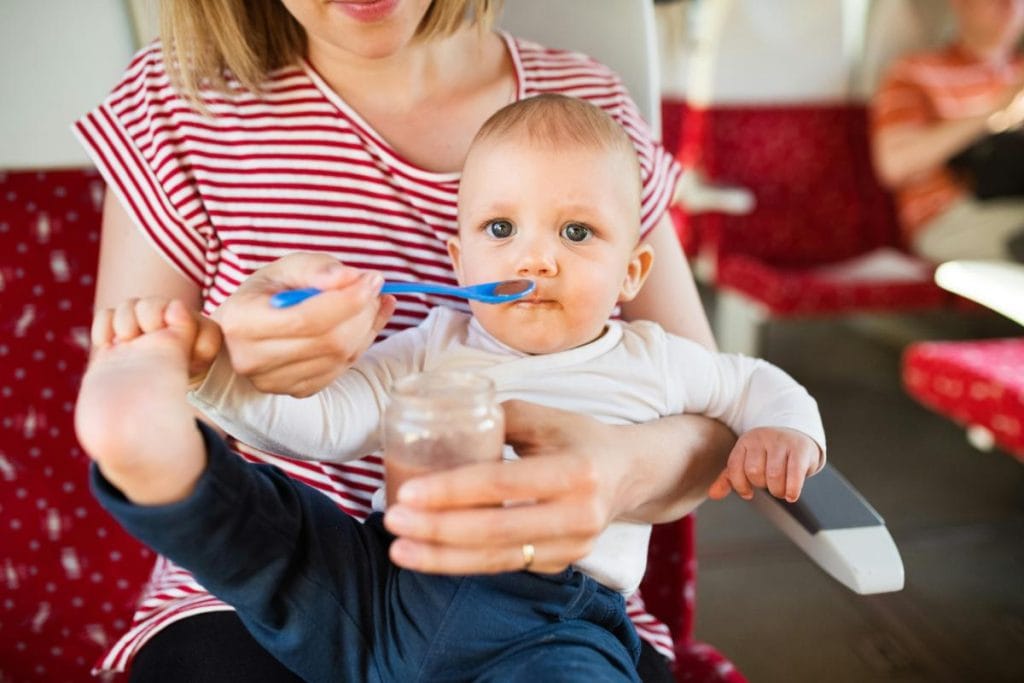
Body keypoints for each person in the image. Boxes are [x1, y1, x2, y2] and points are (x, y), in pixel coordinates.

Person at [74, 1, 737, 680]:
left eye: (573, 233)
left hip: (553, 610)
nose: (535, 260)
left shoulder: (590, 109)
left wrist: (621, 470)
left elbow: (716, 420)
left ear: (632, 271)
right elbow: (137, 371)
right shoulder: (175, 104)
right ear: (455, 255)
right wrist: (216, 365)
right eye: (500, 229)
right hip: (280, 592)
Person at [870, 0, 1024, 263]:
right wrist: (994, 114)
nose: (1010, 6)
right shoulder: (914, 72)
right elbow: (894, 164)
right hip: (952, 217)